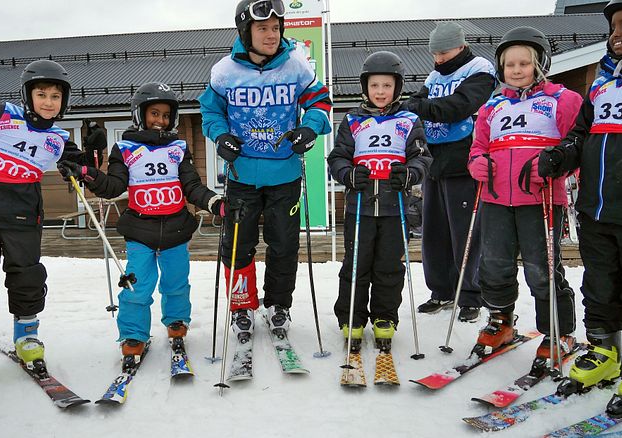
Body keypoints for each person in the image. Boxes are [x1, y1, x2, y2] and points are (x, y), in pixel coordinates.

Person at [538, 0, 622, 415]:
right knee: (599, 283)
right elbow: (583, 132)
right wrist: (564, 154)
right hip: (596, 208)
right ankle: (605, 351)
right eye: (613, 26)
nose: (616, 33)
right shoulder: (602, 82)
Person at [58, 82, 244, 368]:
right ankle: (133, 336)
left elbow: (192, 186)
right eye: (154, 113)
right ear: (139, 114)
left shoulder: (178, 148)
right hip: (140, 232)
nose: (160, 120)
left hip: (176, 230)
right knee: (137, 286)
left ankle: (177, 323)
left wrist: (217, 203)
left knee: (176, 283)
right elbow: (113, 185)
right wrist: (86, 172)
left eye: (166, 115)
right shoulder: (126, 148)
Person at [0, 60, 94, 380]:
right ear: (28, 95)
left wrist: (90, 157)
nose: (49, 102)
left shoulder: (59, 137)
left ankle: (26, 335)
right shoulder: (4, 115)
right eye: (42, 94)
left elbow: (84, 169)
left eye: (56, 96)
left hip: (23, 214)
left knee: (27, 275)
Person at [199, 0, 332, 340]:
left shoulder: (296, 65)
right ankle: (242, 305)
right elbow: (210, 113)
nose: (271, 35)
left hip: (284, 175)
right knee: (238, 244)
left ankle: (278, 305)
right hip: (241, 177)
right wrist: (221, 135)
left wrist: (310, 127)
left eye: (276, 28)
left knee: (284, 244)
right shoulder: (224, 71)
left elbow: (319, 101)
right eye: (263, 28)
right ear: (246, 31)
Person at [467, 27, 582, 362]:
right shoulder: (493, 106)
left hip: (541, 199)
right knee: (494, 264)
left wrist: (554, 167)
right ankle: (501, 320)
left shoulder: (562, 99)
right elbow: (479, 146)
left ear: (540, 64)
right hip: (496, 198)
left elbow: (577, 147)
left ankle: (558, 331)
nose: (516, 71)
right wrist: (476, 163)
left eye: (524, 63)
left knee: (541, 269)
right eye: (509, 65)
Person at [328, 51, 430, 349]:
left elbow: (422, 157)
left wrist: (409, 174)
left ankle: (385, 317)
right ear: (365, 87)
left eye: (387, 86)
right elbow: (338, 157)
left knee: (388, 266)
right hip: (359, 206)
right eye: (375, 86)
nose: (381, 92)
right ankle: (352, 317)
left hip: (393, 208)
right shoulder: (352, 120)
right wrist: (348, 174)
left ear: (397, 87)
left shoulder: (409, 120)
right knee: (356, 265)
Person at [402, 21, 497, 322]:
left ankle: (471, 294)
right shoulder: (433, 75)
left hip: (464, 162)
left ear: (460, 46)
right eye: (435, 53)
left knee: (465, 233)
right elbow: (413, 103)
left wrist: (425, 106)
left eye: (443, 52)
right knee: (434, 232)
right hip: (434, 162)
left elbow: (460, 105)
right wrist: (424, 105)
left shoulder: (480, 69)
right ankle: (441, 290)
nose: (438, 59)